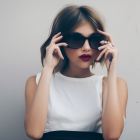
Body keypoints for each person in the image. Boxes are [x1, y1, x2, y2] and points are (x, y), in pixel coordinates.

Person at [24, 4, 128, 140]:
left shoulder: (114, 84)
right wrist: (48, 68)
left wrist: (111, 71)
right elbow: (34, 132)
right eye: (76, 39)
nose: (86, 48)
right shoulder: (36, 82)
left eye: (94, 40)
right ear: (60, 42)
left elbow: (112, 135)